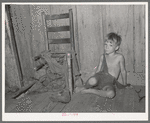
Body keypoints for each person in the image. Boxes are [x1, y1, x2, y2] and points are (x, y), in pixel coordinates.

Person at [75, 32, 131, 98]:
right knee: (92, 80)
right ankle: (84, 87)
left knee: (111, 94)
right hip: (100, 77)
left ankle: (92, 91)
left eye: (110, 45)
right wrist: (92, 78)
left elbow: (123, 71)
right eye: (105, 44)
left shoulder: (119, 57)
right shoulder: (103, 56)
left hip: (109, 82)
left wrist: (124, 85)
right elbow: (98, 70)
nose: (107, 47)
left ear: (116, 48)